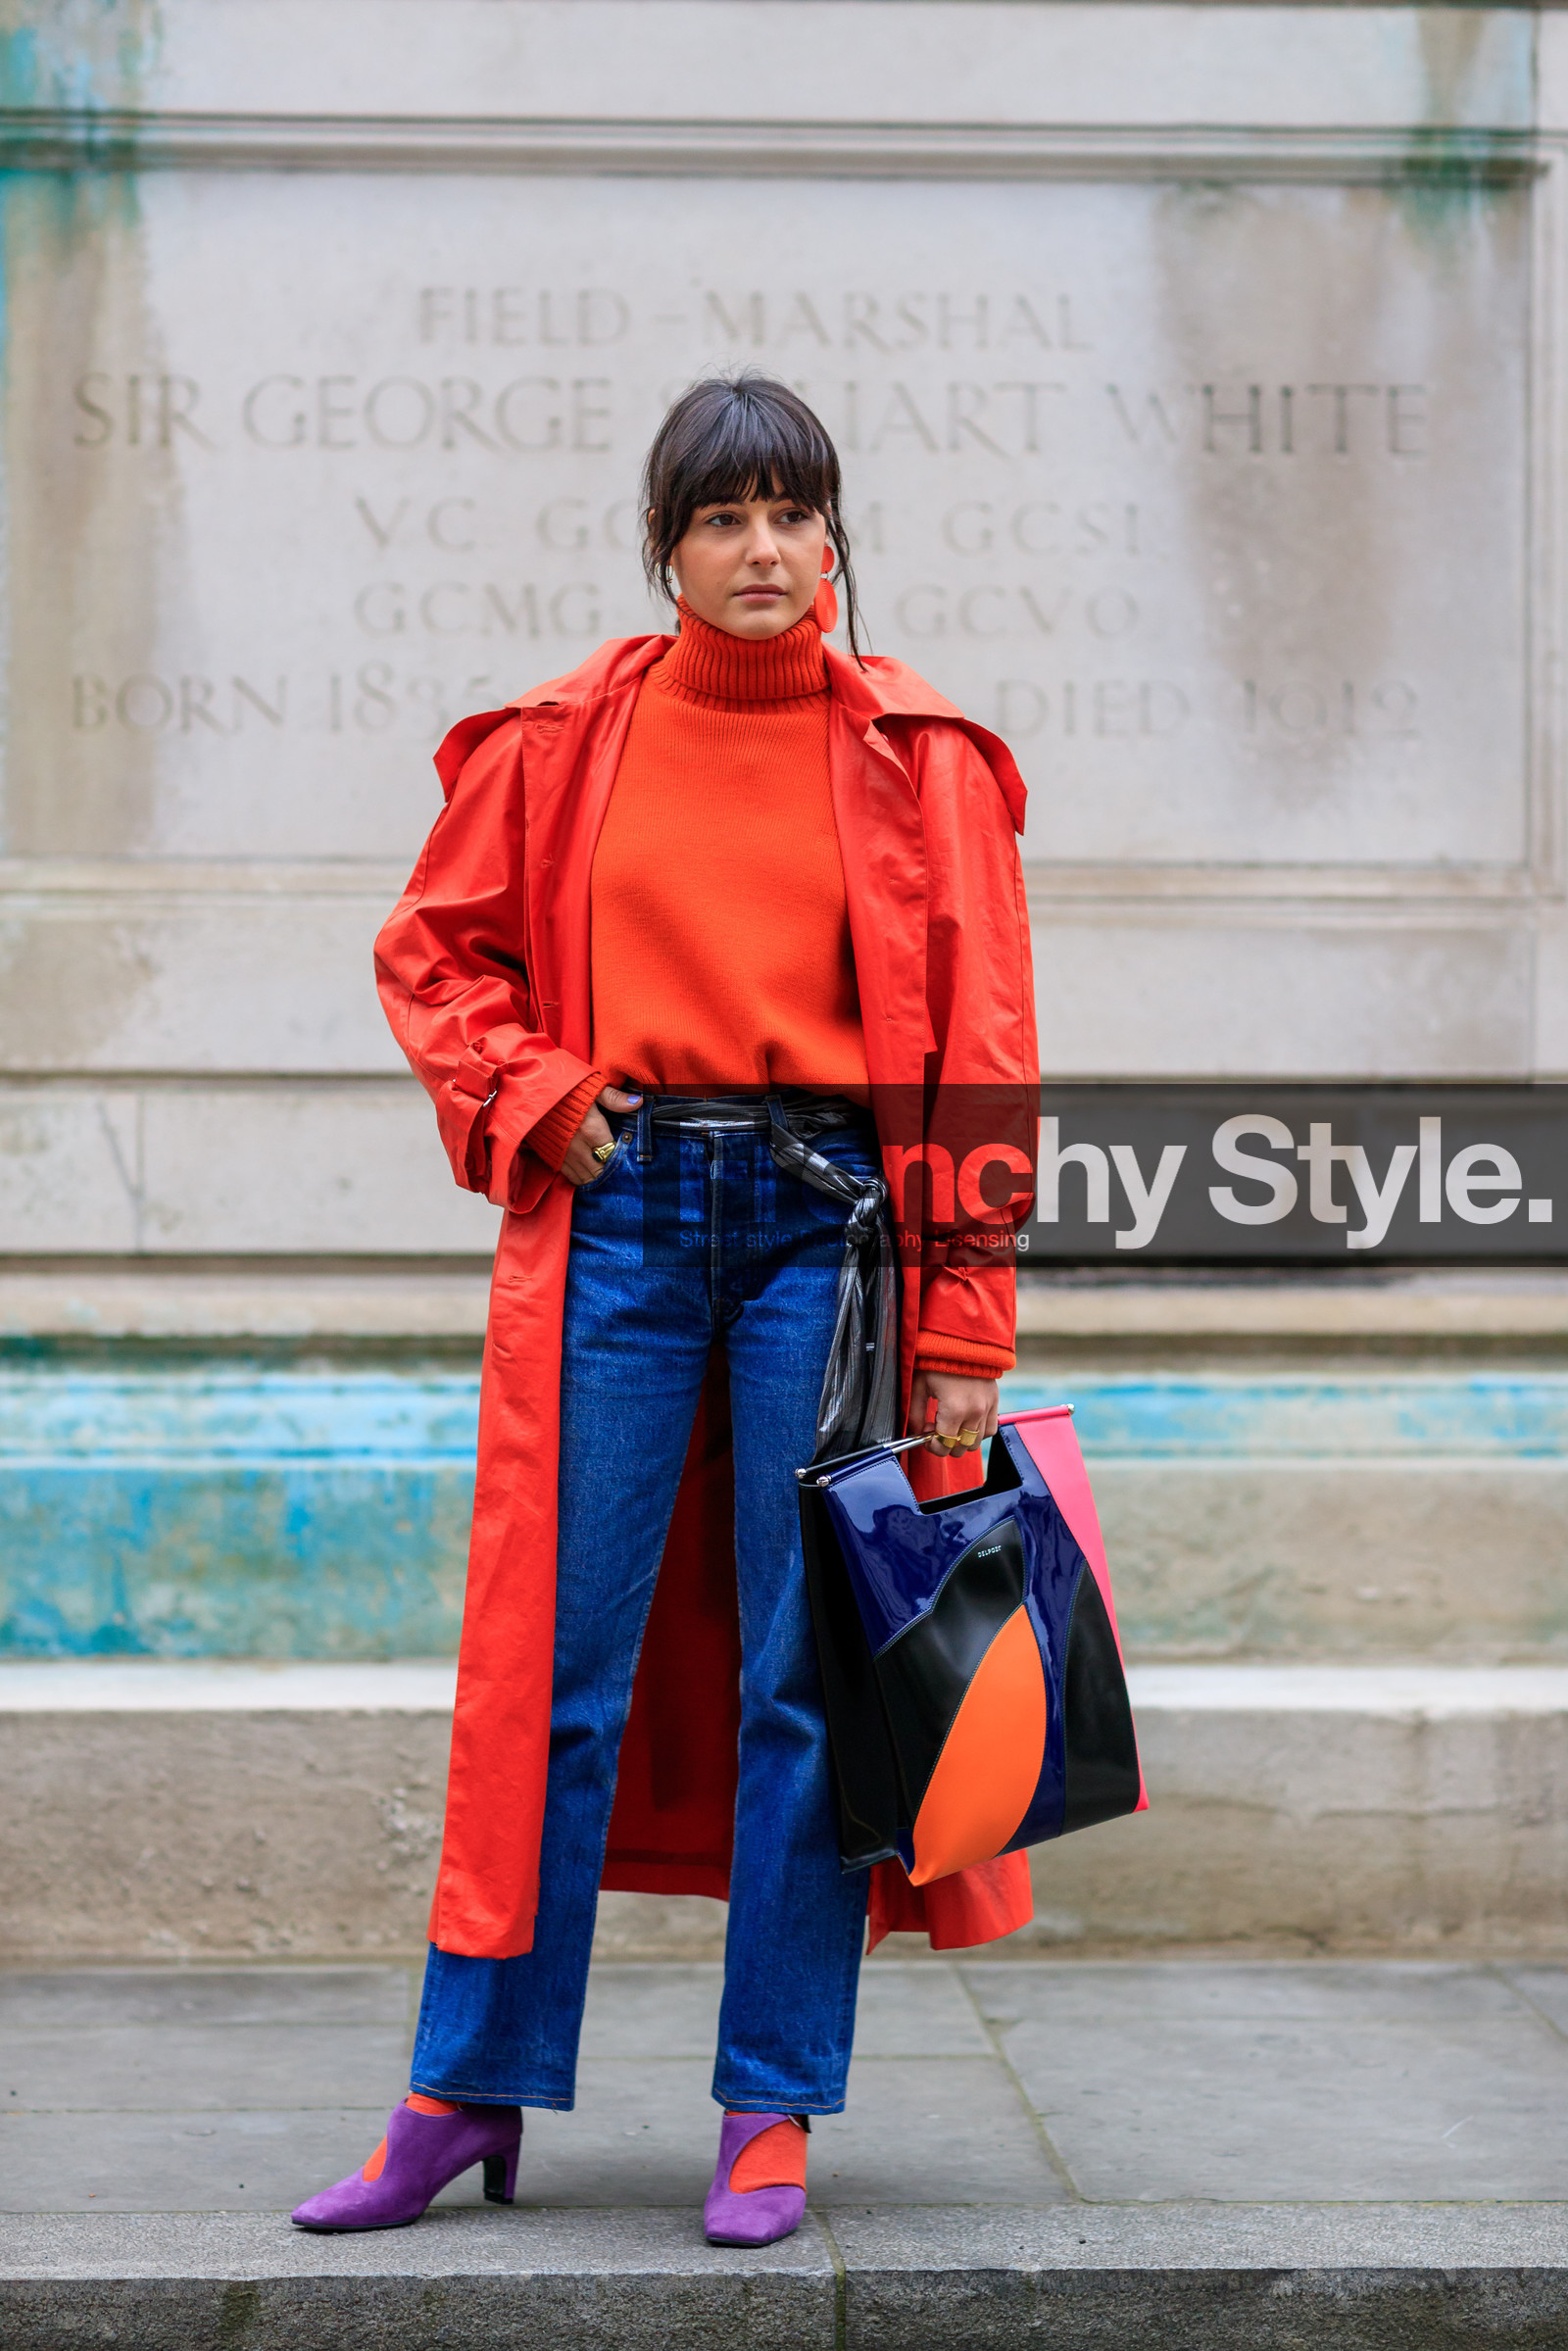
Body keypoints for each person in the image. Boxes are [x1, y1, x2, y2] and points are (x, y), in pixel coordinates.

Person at [291, 374, 1039, 2244]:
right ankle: (464, 2090)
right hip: (614, 1225)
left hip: (824, 1235)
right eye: (724, 518)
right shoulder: (561, 740)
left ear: (835, 538)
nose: (763, 550)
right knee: (547, 1673)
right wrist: (533, 1090)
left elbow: (984, 1049)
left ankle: (769, 2107)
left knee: (801, 1675)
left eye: (794, 515)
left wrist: (966, 1323)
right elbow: (432, 953)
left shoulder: (922, 757)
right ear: (666, 545)